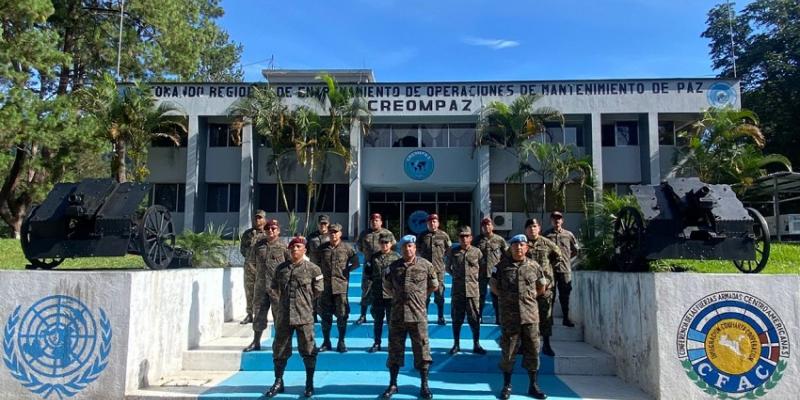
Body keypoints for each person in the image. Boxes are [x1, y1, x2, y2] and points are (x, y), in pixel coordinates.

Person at [265, 237, 324, 398]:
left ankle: (309, 383)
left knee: (309, 350)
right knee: (279, 349)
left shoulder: (313, 269)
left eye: (298, 247)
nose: (295, 249)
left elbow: (318, 290)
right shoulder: (281, 269)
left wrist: (303, 301)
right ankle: (278, 381)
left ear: (304, 250)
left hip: (304, 316)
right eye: (292, 247)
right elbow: (274, 288)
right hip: (284, 316)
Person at [491, 234, 548, 400]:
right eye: (515, 245)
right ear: (511, 248)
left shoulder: (535, 266)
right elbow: (493, 286)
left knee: (533, 350)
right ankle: (507, 385)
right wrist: (505, 298)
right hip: (510, 317)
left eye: (522, 245)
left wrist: (529, 298)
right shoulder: (500, 267)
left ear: (526, 248)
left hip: (530, 316)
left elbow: (541, 287)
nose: (519, 248)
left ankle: (533, 385)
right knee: (508, 352)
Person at [381, 235, 437, 400]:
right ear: (400, 249)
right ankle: (393, 384)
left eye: (410, 246)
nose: (408, 249)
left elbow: (433, 286)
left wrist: (419, 297)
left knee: (422, 351)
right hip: (398, 316)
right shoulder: (393, 267)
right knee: (394, 351)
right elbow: (387, 286)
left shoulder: (426, 265)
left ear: (415, 247)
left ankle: (424, 385)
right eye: (405, 246)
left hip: (418, 316)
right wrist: (399, 297)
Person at [244, 219, 290, 352]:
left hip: (277, 289)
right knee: (258, 315)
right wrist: (258, 276)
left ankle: (280, 343)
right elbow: (251, 262)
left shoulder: (283, 247)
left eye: (273, 228)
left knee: (279, 316)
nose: (270, 230)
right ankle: (256, 342)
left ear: (278, 231)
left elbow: (289, 265)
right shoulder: (258, 246)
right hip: (261, 287)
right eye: (268, 228)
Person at [524, 218, 567, 357]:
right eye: (529, 227)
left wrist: (548, 273)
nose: (532, 229)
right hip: (526, 288)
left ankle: (546, 344)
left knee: (546, 316)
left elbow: (558, 257)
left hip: (545, 287)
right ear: (525, 230)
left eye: (534, 226)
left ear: (539, 228)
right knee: (525, 317)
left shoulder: (547, 243)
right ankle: (525, 345)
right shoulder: (521, 244)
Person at [317, 223, 359, 353]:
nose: (333, 234)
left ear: (340, 233)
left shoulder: (347, 248)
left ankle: (341, 341)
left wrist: (347, 271)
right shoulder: (322, 248)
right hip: (326, 287)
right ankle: (326, 341)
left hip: (340, 287)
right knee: (325, 316)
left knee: (342, 315)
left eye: (335, 232)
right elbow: (316, 264)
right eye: (331, 232)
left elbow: (356, 263)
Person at [445, 226, 486, 355]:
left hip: (472, 291)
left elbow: (482, 268)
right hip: (458, 291)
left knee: (474, 318)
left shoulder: (477, 252)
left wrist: (473, 279)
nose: (464, 238)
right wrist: (456, 277)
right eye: (462, 236)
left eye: (467, 236)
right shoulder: (453, 251)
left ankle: (476, 344)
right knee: (457, 318)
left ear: (471, 238)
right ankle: (456, 344)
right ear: (459, 238)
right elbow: (447, 268)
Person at [356, 213, 395, 325]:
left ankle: (389, 316)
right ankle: (363, 315)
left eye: (377, 220)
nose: (374, 222)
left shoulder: (387, 233)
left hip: (385, 265)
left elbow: (394, 246)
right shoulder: (364, 234)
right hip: (369, 265)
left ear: (381, 222)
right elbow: (360, 247)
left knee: (387, 290)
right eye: (372, 221)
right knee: (366, 289)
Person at [365, 231, 399, 353]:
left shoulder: (396, 257)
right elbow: (368, 272)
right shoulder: (374, 257)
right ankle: (377, 342)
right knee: (377, 320)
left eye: (386, 243)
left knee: (391, 322)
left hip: (391, 294)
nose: (384, 245)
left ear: (391, 244)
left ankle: (392, 344)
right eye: (382, 243)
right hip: (377, 293)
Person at [544, 211, 579, 327]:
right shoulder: (546, 235)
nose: (557, 220)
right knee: (550, 295)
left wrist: (567, 259)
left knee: (565, 295)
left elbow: (576, 250)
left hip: (564, 269)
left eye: (559, 218)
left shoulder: (568, 235)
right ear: (551, 220)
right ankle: (549, 319)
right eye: (554, 218)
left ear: (562, 220)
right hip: (551, 270)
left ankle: (566, 318)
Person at [417, 213, 451, 325]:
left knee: (439, 293)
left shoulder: (444, 235)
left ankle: (440, 317)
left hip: (438, 270)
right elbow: (417, 250)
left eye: (434, 221)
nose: (432, 223)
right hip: (425, 270)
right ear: (427, 223)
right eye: (430, 222)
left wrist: (441, 259)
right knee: (425, 294)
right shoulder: (422, 236)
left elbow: (448, 249)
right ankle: (424, 317)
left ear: (438, 223)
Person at [473, 217, 508, 324]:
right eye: (484, 225)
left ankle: (498, 317)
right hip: (481, 272)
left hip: (495, 273)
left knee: (496, 296)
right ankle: (479, 317)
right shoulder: (477, 240)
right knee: (480, 296)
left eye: (488, 225)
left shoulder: (499, 240)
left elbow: (506, 254)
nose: (486, 227)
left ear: (492, 226)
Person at [239, 210, 268, 324]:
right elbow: (242, 249)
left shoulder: (268, 233)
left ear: (264, 219)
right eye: (256, 218)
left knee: (262, 292)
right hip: (249, 267)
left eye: (260, 218)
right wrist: (250, 257)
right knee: (249, 291)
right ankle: (250, 314)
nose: (257, 220)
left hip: (263, 268)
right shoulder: (247, 234)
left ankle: (260, 314)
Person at [307, 214, 331, 322]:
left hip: (327, 270)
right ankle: (314, 314)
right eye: (321, 223)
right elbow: (306, 251)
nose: (323, 225)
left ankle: (325, 314)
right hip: (314, 270)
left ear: (328, 224)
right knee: (314, 291)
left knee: (326, 292)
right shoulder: (311, 237)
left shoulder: (331, 235)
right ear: (318, 224)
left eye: (325, 223)